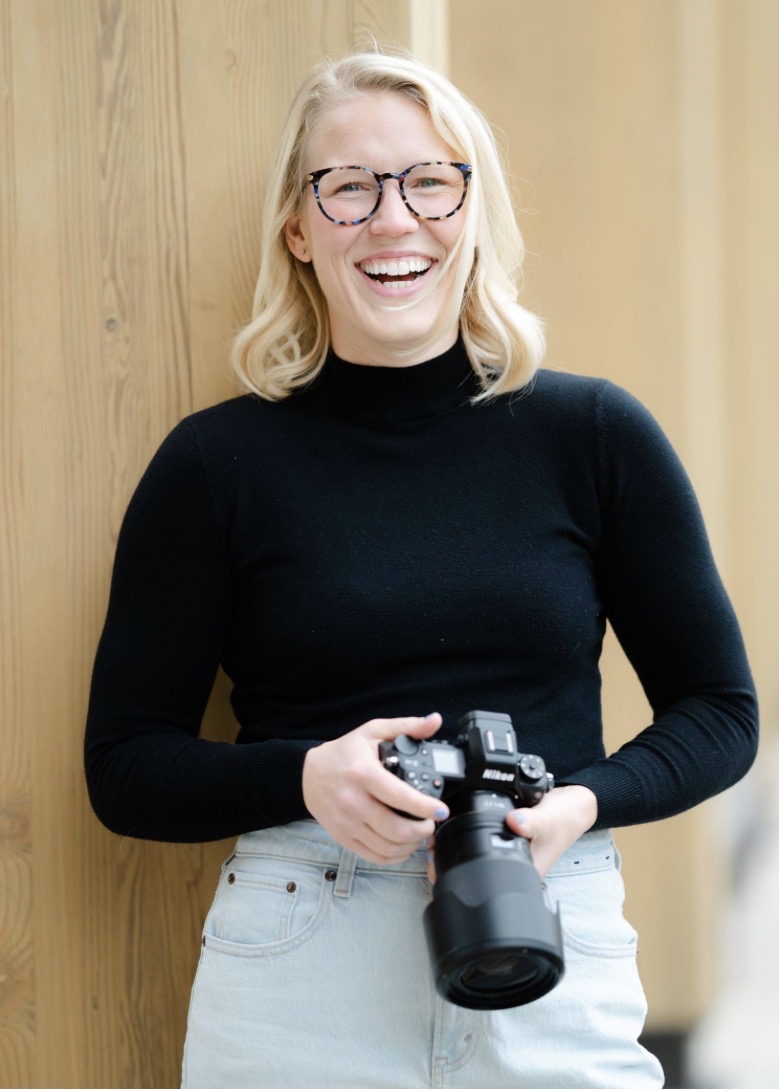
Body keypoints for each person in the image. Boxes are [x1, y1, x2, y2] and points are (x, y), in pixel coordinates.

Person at [85, 48, 758, 1090]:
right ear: (298, 229)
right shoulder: (215, 464)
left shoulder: (592, 434)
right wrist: (305, 773)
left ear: (473, 209)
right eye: (346, 186)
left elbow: (718, 712)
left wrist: (577, 803)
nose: (392, 219)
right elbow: (124, 765)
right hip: (302, 947)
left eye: (428, 180)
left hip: (549, 917)